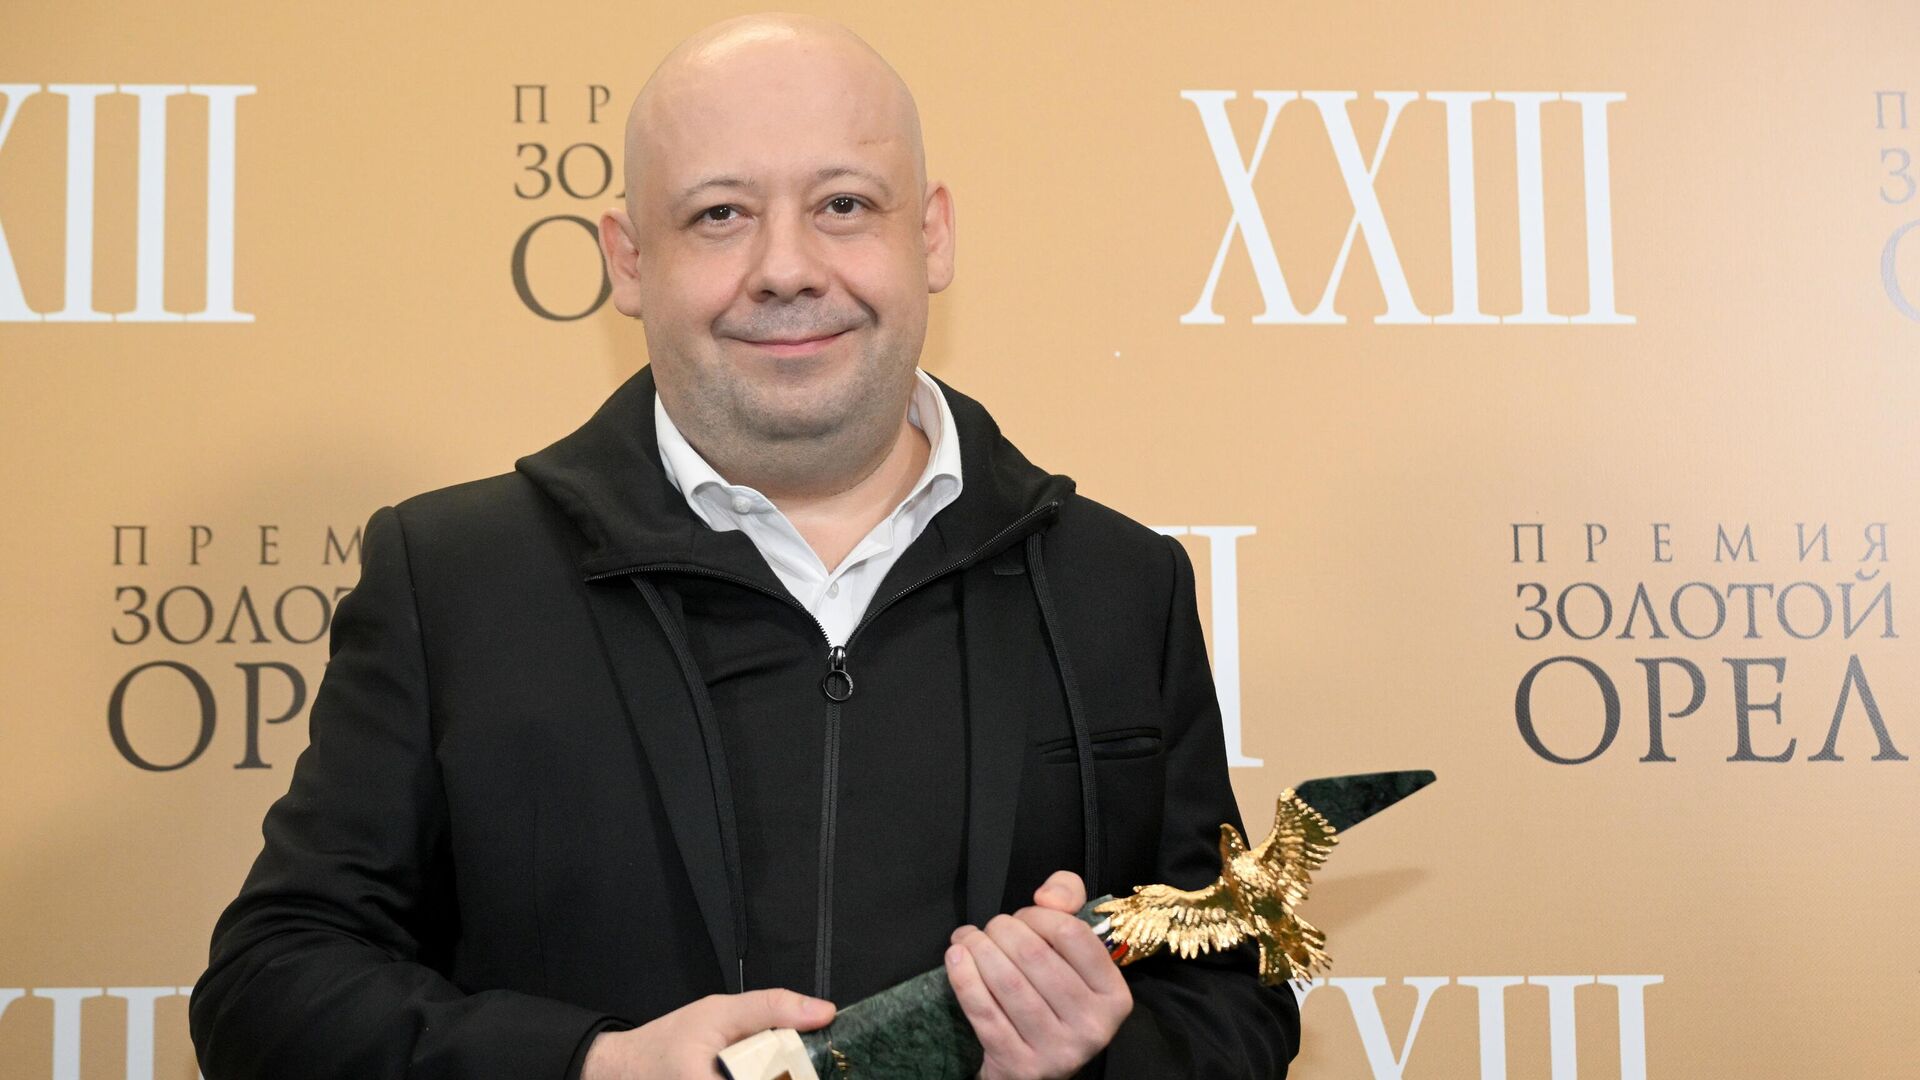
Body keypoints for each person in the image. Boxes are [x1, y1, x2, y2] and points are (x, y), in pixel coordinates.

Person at [189, 13, 1299, 1080]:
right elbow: (269, 992)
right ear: (629, 260)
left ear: (932, 235)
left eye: (844, 204)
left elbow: (1234, 1002)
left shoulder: (1116, 585)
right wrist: (594, 1066)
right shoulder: (453, 579)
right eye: (719, 215)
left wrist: (1094, 1057)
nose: (786, 267)